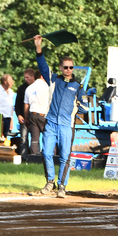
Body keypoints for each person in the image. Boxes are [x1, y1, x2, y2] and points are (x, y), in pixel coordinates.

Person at [33, 35, 88, 198]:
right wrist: (38, 47)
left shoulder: (78, 87)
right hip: (50, 123)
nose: (68, 70)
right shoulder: (54, 79)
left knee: (65, 156)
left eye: (71, 67)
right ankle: (50, 182)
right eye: (65, 67)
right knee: (46, 153)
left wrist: (78, 108)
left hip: (66, 126)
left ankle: (62, 186)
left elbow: (84, 108)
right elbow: (42, 65)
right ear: (61, 67)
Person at [24, 70, 49, 156]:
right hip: (43, 116)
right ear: (42, 76)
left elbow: (26, 106)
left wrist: (26, 119)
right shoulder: (47, 87)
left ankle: (34, 158)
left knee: (34, 139)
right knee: (48, 137)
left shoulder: (29, 88)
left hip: (32, 115)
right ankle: (48, 157)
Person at [15, 68, 36, 160]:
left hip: (34, 116)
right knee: (23, 138)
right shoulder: (22, 88)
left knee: (35, 138)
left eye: (27, 77)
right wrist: (19, 114)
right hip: (23, 117)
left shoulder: (37, 88)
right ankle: (24, 157)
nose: (26, 79)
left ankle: (34, 157)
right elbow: (18, 103)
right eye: (25, 77)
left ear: (32, 77)